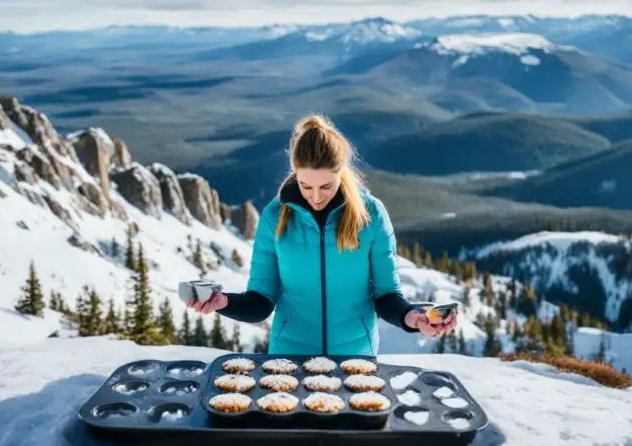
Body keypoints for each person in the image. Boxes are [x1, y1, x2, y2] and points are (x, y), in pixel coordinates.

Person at [185, 114, 458, 356]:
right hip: (289, 361)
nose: (316, 197)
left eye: (326, 186)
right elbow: (260, 301)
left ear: (341, 172)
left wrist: (413, 317)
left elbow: (386, 295)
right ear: (294, 173)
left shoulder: (371, 215)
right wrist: (223, 302)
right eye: (305, 186)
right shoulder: (274, 217)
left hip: (355, 360)